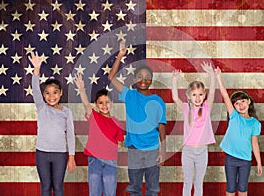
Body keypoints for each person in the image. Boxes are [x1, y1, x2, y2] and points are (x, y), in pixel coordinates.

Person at [108, 41, 167, 196]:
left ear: (151, 80)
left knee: (152, 188)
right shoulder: (130, 95)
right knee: (134, 187)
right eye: (140, 76)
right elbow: (111, 77)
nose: (143, 79)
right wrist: (120, 55)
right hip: (134, 149)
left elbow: (161, 127)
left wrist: (163, 150)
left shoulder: (158, 101)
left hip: (153, 149)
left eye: (147, 77)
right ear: (135, 79)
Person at [28, 52, 76, 196]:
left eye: (55, 92)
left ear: (61, 93)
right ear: (43, 95)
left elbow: (71, 136)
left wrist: (71, 157)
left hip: (59, 154)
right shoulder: (42, 108)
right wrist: (37, 69)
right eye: (47, 93)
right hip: (42, 153)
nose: (51, 96)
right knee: (46, 187)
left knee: (58, 187)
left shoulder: (66, 112)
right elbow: (35, 89)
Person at [215, 67, 263, 196]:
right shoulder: (234, 116)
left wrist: (258, 161)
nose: (240, 105)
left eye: (243, 101)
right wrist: (219, 77)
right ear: (233, 107)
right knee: (230, 188)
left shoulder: (255, 123)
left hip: (245, 160)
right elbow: (225, 96)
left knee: (242, 188)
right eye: (236, 103)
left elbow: (254, 144)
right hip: (231, 158)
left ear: (249, 102)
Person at [74, 74, 124, 196]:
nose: (104, 105)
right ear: (96, 105)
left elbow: (120, 143)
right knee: (94, 191)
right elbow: (86, 104)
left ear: (112, 103)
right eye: (100, 103)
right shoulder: (94, 117)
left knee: (110, 192)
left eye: (107, 102)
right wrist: (81, 89)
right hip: (94, 160)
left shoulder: (117, 122)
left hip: (110, 162)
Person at [172, 62, 216, 196]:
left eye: (200, 94)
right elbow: (175, 98)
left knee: (198, 182)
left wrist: (211, 75)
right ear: (189, 97)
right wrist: (174, 80)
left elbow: (213, 90)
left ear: (204, 96)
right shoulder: (186, 108)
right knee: (187, 182)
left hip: (202, 152)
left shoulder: (207, 108)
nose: (197, 98)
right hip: (188, 151)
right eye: (194, 95)